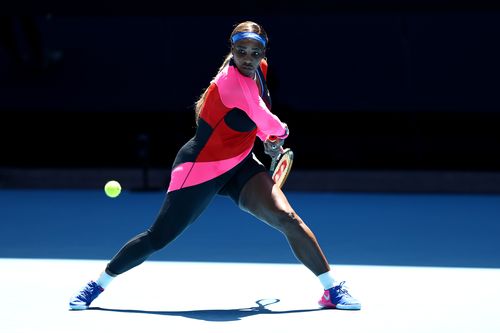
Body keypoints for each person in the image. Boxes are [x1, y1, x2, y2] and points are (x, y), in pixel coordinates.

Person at [69, 20, 361, 311]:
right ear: (232, 50)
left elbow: (253, 121)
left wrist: (265, 138)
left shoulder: (260, 71)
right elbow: (266, 119)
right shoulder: (230, 83)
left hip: (240, 163)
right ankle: (96, 286)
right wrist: (279, 133)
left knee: (288, 218)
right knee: (158, 237)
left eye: (254, 52)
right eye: (241, 51)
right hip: (201, 168)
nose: (248, 58)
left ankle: (331, 289)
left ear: (263, 52)